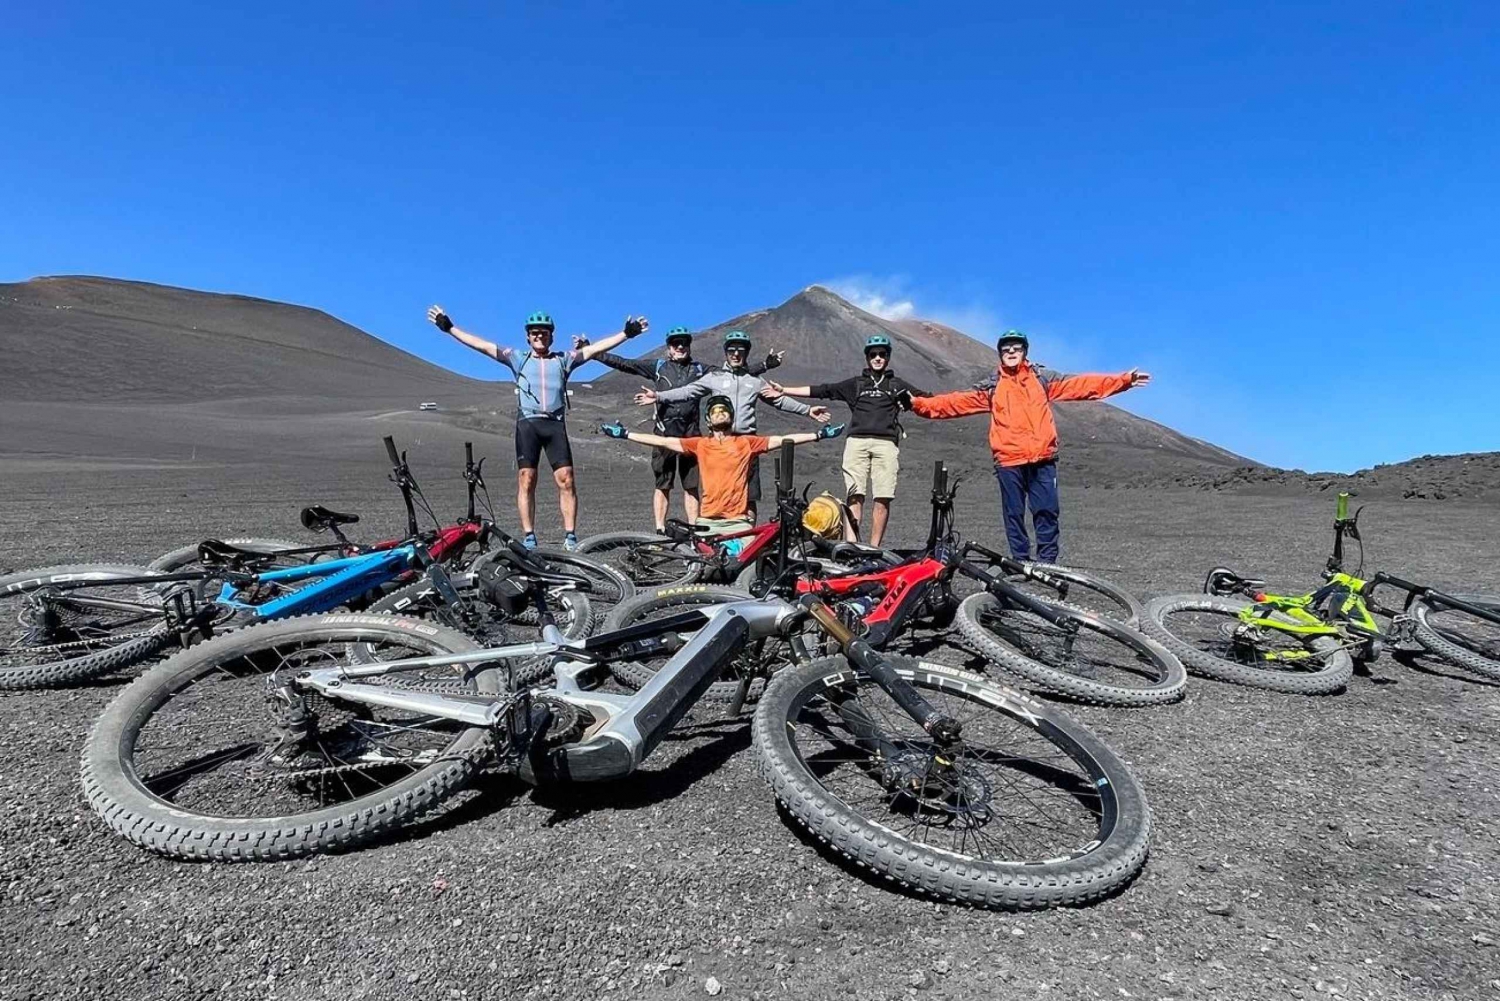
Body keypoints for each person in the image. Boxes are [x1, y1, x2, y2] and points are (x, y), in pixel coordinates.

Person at [899, 330, 1151, 564]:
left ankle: (1048, 564)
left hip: (1042, 458)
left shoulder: (1042, 379)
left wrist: (1123, 380)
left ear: (1025, 351)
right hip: (1009, 460)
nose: (1011, 351)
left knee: (1047, 511)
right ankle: (1020, 561)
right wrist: (918, 404)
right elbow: (954, 403)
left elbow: (1082, 386)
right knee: (1014, 514)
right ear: (1000, 353)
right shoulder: (992, 386)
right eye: (1006, 348)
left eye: (1016, 347)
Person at [427, 304, 648, 550]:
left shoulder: (565, 359)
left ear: (552, 336)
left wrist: (626, 334)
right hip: (528, 424)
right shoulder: (517, 358)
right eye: (534, 333)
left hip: (554, 424)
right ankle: (529, 535)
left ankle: (570, 536)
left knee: (566, 480)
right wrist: (450, 328)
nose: (539, 336)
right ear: (528, 336)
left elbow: (596, 348)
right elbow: (481, 345)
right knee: (526, 479)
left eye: (544, 333)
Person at [579, 325, 783, 532]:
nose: (680, 346)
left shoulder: (701, 370)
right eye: (675, 343)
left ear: (689, 346)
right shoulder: (658, 366)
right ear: (668, 347)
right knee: (662, 485)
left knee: (691, 486)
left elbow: (733, 373)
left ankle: (695, 530)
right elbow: (624, 364)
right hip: (664, 434)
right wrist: (593, 352)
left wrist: (765, 365)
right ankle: (659, 529)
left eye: (684, 342)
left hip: (691, 435)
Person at [636, 330, 830, 521]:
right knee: (717, 491)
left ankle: (748, 539)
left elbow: (778, 400)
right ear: (726, 353)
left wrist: (807, 410)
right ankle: (718, 540)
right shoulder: (715, 378)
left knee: (750, 494)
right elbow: (687, 392)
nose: (736, 354)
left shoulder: (755, 381)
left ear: (746, 353)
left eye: (741, 350)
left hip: (747, 442)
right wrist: (659, 396)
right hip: (719, 443)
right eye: (731, 350)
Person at [761, 334, 927, 546]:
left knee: (883, 497)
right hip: (856, 442)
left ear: (888, 357)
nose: (878, 358)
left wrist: (917, 401)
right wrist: (785, 390)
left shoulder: (897, 384)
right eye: (873, 354)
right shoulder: (856, 384)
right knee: (855, 495)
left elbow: (926, 398)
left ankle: (874, 548)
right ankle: (854, 546)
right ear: (867, 357)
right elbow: (824, 390)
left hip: (886, 444)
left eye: (882, 354)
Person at [599, 395, 845, 534]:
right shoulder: (700, 444)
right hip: (708, 520)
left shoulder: (746, 442)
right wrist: (625, 434)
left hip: (738, 521)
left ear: (731, 417)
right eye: (714, 410)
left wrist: (819, 435)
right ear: (708, 419)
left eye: (724, 410)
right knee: (701, 571)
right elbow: (663, 440)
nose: (719, 413)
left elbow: (782, 440)